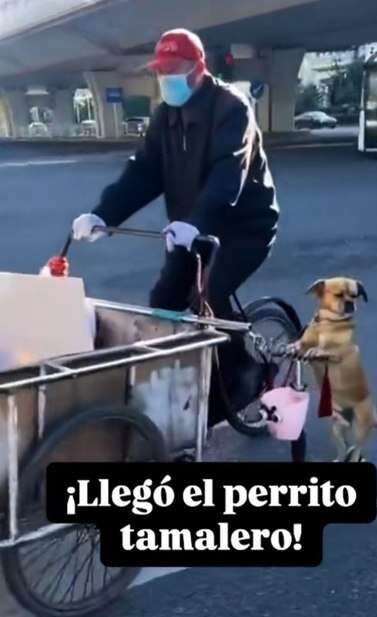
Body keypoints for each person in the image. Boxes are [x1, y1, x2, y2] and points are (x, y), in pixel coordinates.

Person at [72, 28, 280, 419]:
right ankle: (180, 382)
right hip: (190, 228)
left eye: (174, 68)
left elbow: (226, 174)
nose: (165, 76)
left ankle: (245, 375)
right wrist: (103, 214)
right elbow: (143, 171)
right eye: (160, 69)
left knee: (210, 296)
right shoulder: (165, 115)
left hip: (243, 227)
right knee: (163, 302)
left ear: (198, 68)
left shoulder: (232, 109)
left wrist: (196, 222)